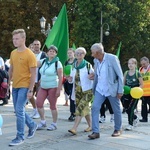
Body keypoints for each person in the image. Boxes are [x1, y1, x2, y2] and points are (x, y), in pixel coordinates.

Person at [8, 29, 38, 146]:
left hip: (25, 86)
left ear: (23, 39)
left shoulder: (29, 54)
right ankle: (32, 125)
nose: (14, 41)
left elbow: (34, 74)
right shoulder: (13, 53)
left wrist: (31, 90)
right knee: (18, 110)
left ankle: (20, 136)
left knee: (19, 110)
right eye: (13, 39)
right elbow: (11, 69)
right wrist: (8, 83)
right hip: (15, 85)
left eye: (17, 38)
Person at [88, 43, 123, 139]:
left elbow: (120, 75)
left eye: (93, 53)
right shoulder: (96, 60)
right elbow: (99, 74)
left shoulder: (112, 58)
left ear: (98, 52)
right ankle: (95, 132)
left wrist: (120, 90)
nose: (91, 55)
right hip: (100, 89)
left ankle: (117, 129)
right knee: (95, 108)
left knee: (116, 109)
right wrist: (93, 76)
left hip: (111, 89)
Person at [68, 47, 94, 135]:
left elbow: (94, 76)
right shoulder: (73, 65)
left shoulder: (87, 65)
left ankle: (74, 128)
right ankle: (91, 126)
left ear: (84, 55)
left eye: (81, 53)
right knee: (85, 109)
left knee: (79, 108)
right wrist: (69, 79)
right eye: (77, 53)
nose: (79, 55)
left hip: (87, 91)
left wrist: (92, 76)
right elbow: (71, 80)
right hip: (77, 91)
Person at [36, 45, 63, 131]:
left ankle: (54, 123)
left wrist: (59, 89)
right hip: (43, 86)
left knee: (53, 106)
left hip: (53, 87)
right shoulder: (43, 61)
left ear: (55, 54)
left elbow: (61, 77)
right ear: (47, 53)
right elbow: (33, 64)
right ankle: (43, 121)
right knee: (38, 103)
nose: (51, 52)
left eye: (53, 51)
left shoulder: (57, 63)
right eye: (50, 51)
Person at [123, 58, 143, 130]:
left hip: (135, 94)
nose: (130, 65)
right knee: (126, 108)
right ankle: (135, 117)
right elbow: (123, 83)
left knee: (131, 108)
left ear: (135, 64)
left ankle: (130, 124)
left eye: (132, 63)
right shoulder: (126, 73)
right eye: (129, 63)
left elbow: (141, 84)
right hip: (127, 93)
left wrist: (137, 90)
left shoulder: (138, 73)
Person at [29, 39, 47, 119]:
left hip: (39, 78)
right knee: (30, 95)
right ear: (32, 45)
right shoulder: (30, 54)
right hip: (31, 78)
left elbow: (46, 66)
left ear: (40, 45)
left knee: (39, 96)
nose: (36, 46)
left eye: (37, 44)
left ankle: (39, 112)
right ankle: (34, 108)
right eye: (35, 44)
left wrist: (42, 78)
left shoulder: (43, 55)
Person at [64, 48, 76, 121]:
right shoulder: (67, 62)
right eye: (68, 53)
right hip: (68, 81)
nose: (69, 54)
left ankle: (73, 113)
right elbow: (65, 70)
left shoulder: (76, 61)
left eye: (70, 53)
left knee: (72, 97)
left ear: (74, 53)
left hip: (74, 82)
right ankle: (73, 112)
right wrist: (66, 77)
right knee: (70, 96)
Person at [139, 56, 150, 122]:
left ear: (148, 62)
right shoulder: (140, 69)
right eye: (142, 64)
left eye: (144, 64)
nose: (143, 65)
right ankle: (144, 118)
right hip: (143, 92)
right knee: (143, 106)